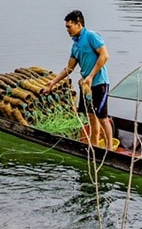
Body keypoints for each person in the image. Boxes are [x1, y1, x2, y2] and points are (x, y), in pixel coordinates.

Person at [42, 9, 115, 148]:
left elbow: (104, 55)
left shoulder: (92, 36)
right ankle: (94, 148)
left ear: (79, 24)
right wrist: (52, 83)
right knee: (91, 118)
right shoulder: (75, 45)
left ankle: (109, 150)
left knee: (102, 118)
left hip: (99, 83)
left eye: (69, 27)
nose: (67, 30)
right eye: (66, 27)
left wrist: (90, 76)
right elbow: (69, 69)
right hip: (87, 86)